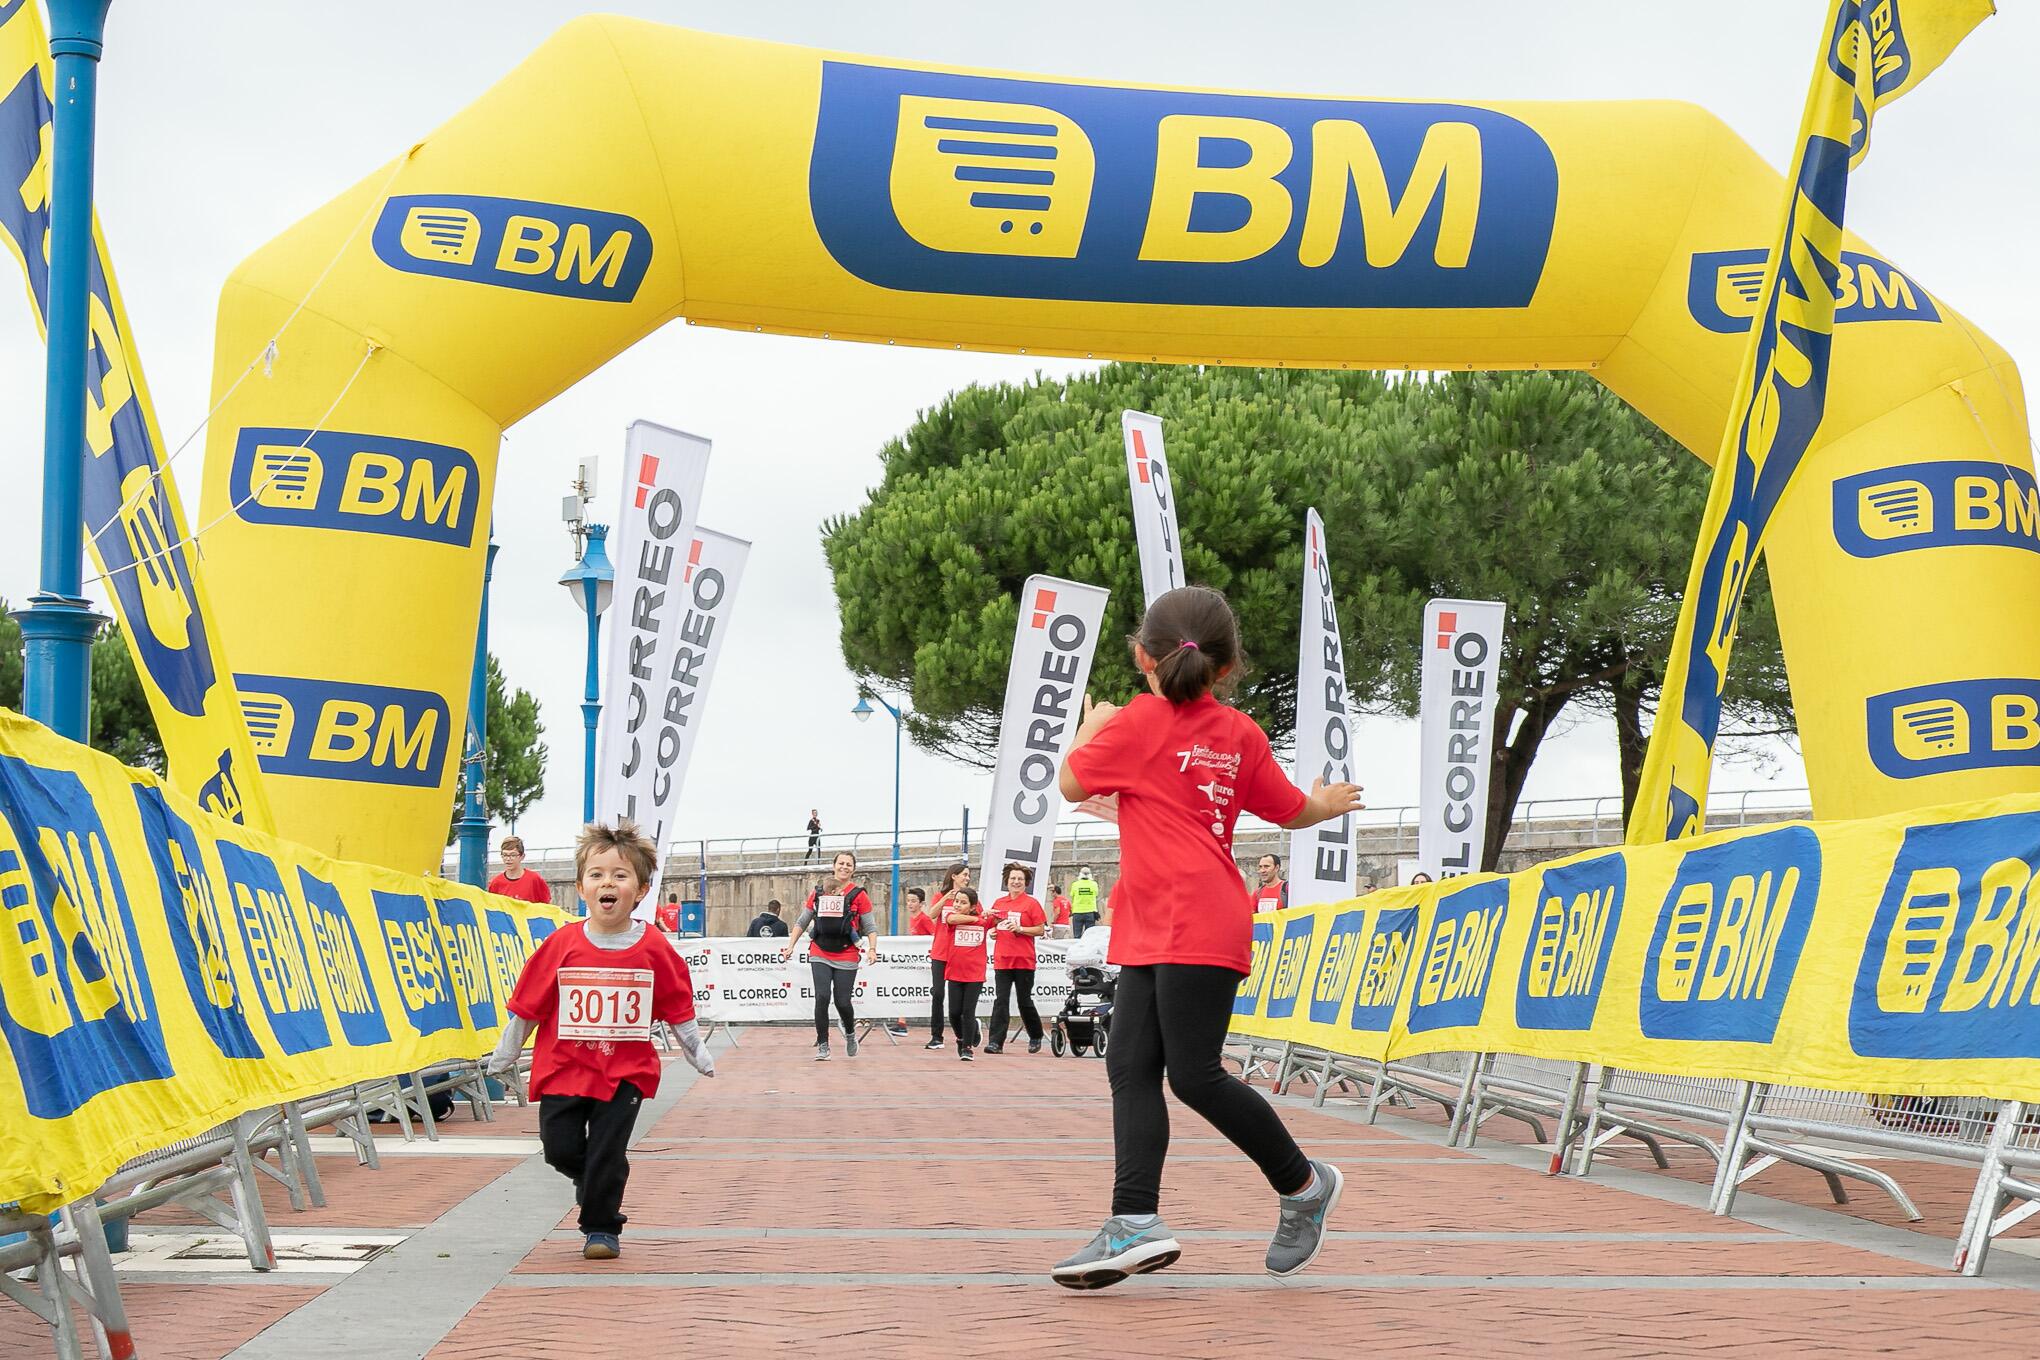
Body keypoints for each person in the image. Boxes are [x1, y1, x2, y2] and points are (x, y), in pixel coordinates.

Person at [1050, 584, 1366, 1291]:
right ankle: (1133, 1221)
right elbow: (1290, 811)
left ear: (1142, 658)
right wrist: (1330, 802)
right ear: (1226, 667)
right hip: (1164, 922)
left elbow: (1070, 784)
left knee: (1193, 1076)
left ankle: (1305, 1185)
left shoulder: (1133, 721)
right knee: (1130, 1069)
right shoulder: (1239, 732)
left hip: (1188, 920)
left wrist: (1090, 722)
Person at [486, 819, 714, 1261]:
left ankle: (601, 1227)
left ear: (641, 890)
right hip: (564, 1067)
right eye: (597, 874)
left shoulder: (654, 948)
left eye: (620, 875)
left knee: (608, 1150)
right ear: (581, 887)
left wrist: (697, 1052)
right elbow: (528, 1004)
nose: (607, 883)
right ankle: (589, 1179)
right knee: (560, 1148)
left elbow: (677, 1005)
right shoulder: (561, 945)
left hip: (623, 1072)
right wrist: (506, 1052)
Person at [782, 851, 878, 1061]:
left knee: (843, 1002)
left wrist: (872, 948)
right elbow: (803, 920)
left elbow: (870, 925)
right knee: (822, 997)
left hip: (847, 953)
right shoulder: (819, 892)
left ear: (854, 869)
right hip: (820, 951)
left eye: (849, 864)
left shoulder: (859, 895)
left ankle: (850, 1034)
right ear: (834, 866)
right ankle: (823, 1044)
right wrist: (791, 945)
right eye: (841, 863)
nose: (844, 867)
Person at [986, 862, 1048, 1054]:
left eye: (1020, 879)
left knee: (1024, 1000)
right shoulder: (999, 903)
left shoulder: (1031, 903)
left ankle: (1036, 1035)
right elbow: (993, 925)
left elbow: (1040, 929)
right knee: (1001, 1000)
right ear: (1007, 881)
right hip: (1003, 959)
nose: (1016, 882)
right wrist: (994, 932)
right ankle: (996, 1042)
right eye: (1013, 878)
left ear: (1026, 883)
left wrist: (1021, 930)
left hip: (1024, 960)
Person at [941, 887, 991, 1061]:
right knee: (954, 1013)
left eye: (963, 903)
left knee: (967, 1011)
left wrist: (993, 915)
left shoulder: (984, 921)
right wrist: (977, 918)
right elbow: (952, 917)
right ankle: (962, 1037)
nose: (958, 905)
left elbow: (1001, 918)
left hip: (975, 974)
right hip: (954, 972)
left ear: (972, 906)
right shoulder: (952, 919)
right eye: (956, 901)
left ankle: (967, 1048)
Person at [924, 862, 970, 1050]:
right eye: (964, 875)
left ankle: (966, 1032)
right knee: (938, 993)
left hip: (960, 953)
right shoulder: (940, 896)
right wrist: (945, 900)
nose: (967, 878)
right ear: (954, 876)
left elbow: (979, 917)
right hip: (940, 952)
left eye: (968, 875)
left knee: (957, 1000)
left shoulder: (969, 898)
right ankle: (936, 1036)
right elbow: (931, 914)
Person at [487, 836, 552, 905]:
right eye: (505, 855)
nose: (508, 859)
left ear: (522, 856)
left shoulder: (534, 879)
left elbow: (546, 906)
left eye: (513, 855)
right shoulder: (496, 883)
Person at [1069, 867, 1101, 937]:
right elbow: (1096, 894)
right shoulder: (1094, 884)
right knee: (1089, 936)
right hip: (1090, 912)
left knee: (1077, 936)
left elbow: (1072, 895)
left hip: (1077, 912)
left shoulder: (1075, 884)